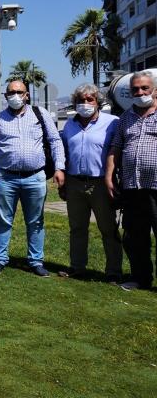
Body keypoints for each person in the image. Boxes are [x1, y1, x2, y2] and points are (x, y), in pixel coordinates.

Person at [0, 79, 65, 277]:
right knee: (3, 220)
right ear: (5, 96)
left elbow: (55, 141)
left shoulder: (40, 114)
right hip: (5, 178)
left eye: (19, 92)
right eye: (11, 92)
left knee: (36, 221)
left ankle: (36, 261)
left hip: (35, 177)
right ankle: (0, 259)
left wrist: (59, 167)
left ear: (27, 94)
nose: (15, 96)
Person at [59, 84, 121, 282]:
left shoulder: (112, 123)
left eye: (89, 100)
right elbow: (65, 153)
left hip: (101, 183)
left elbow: (117, 150)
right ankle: (77, 267)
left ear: (97, 102)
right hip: (74, 182)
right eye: (80, 100)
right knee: (77, 229)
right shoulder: (69, 125)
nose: (85, 104)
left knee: (108, 229)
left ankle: (113, 271)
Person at [106, 70, 157, 291]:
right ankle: (141, 278)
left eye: (144, 88)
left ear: (154, 90)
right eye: (135, 89)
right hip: (132, 186)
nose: (140, 92)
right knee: (135, 236)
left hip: (155, 186)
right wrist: (109, 176)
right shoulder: (126, 118)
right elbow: (115, 148)